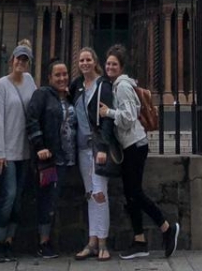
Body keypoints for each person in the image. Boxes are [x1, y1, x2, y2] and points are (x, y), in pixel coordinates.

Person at [99, 45, 179, 260]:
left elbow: (128, 118)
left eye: (114, 64)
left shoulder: (122, 87)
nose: (110, 67)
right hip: (130, 145)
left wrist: (108, 112)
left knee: (135, 192)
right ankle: (139, 241)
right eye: (108, 63)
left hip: (135, 145)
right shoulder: (116, 85)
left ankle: (166, 228)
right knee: (130, 194)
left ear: (121, 66)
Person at [0, 43, 37, 263]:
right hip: (7, 152)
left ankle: (9, 240)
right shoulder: (1, 84)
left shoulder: (30, 81)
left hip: (25, 151)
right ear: (11, 60)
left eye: (25, 59)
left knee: (18, 198)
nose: (21, 62)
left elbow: (36, 108)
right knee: (8, 195)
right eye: (19, 58)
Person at [26, 59, 77, 259]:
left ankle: (46, 239)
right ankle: (43, 242)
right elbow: (32, 119)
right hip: (49, 159)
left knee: (52, 199)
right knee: (47, 198)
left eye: (65, 74)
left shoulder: (70, 97)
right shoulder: (42, 95)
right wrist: (40, 146)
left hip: (66, 158)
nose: (62, 78)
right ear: (49, 78)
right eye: (58, 75)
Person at [69, 48, 117, 261]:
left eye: (88, 59)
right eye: (81, 60)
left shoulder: (103, 86)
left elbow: (106, 119)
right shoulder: (77, 86)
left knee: (100, 193)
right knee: (90, 194)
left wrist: (103, 148)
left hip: (97, 148)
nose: (85, 63)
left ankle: (103, 242)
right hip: (82, 148)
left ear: (95, 61)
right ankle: (92, 242)